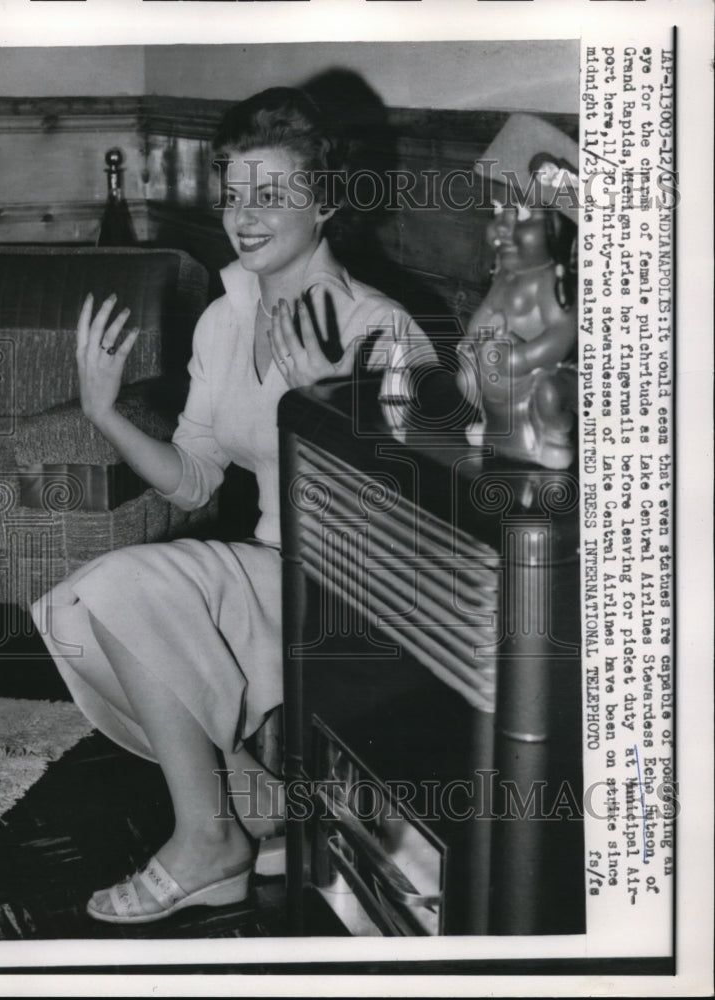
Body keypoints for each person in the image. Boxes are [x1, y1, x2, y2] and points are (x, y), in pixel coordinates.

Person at [30, 87, 428, 925]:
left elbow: (411, 527)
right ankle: (254, 791)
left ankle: (209, 839)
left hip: (358, 596)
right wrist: (104, 413)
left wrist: (324, 397)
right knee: (69, 612)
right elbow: (196, 479)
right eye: (233, 191)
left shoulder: (378, 327)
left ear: (322, 203)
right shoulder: (225, 315)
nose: (243, 216)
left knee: (116, 591)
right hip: (273, 570)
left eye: (270, 194)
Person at [455, 113, 579, 470]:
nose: (503, 227)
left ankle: (555, 433)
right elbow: (489, 313)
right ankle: (492, 428)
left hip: (540, 370)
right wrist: (470, 342)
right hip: (501, 365)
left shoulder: (550, 282)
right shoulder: (506, 275)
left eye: (523, 214)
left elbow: (561, 333)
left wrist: (523, 359)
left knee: (550, 393)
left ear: (559, 228)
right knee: (466, 377)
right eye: (497, 210)